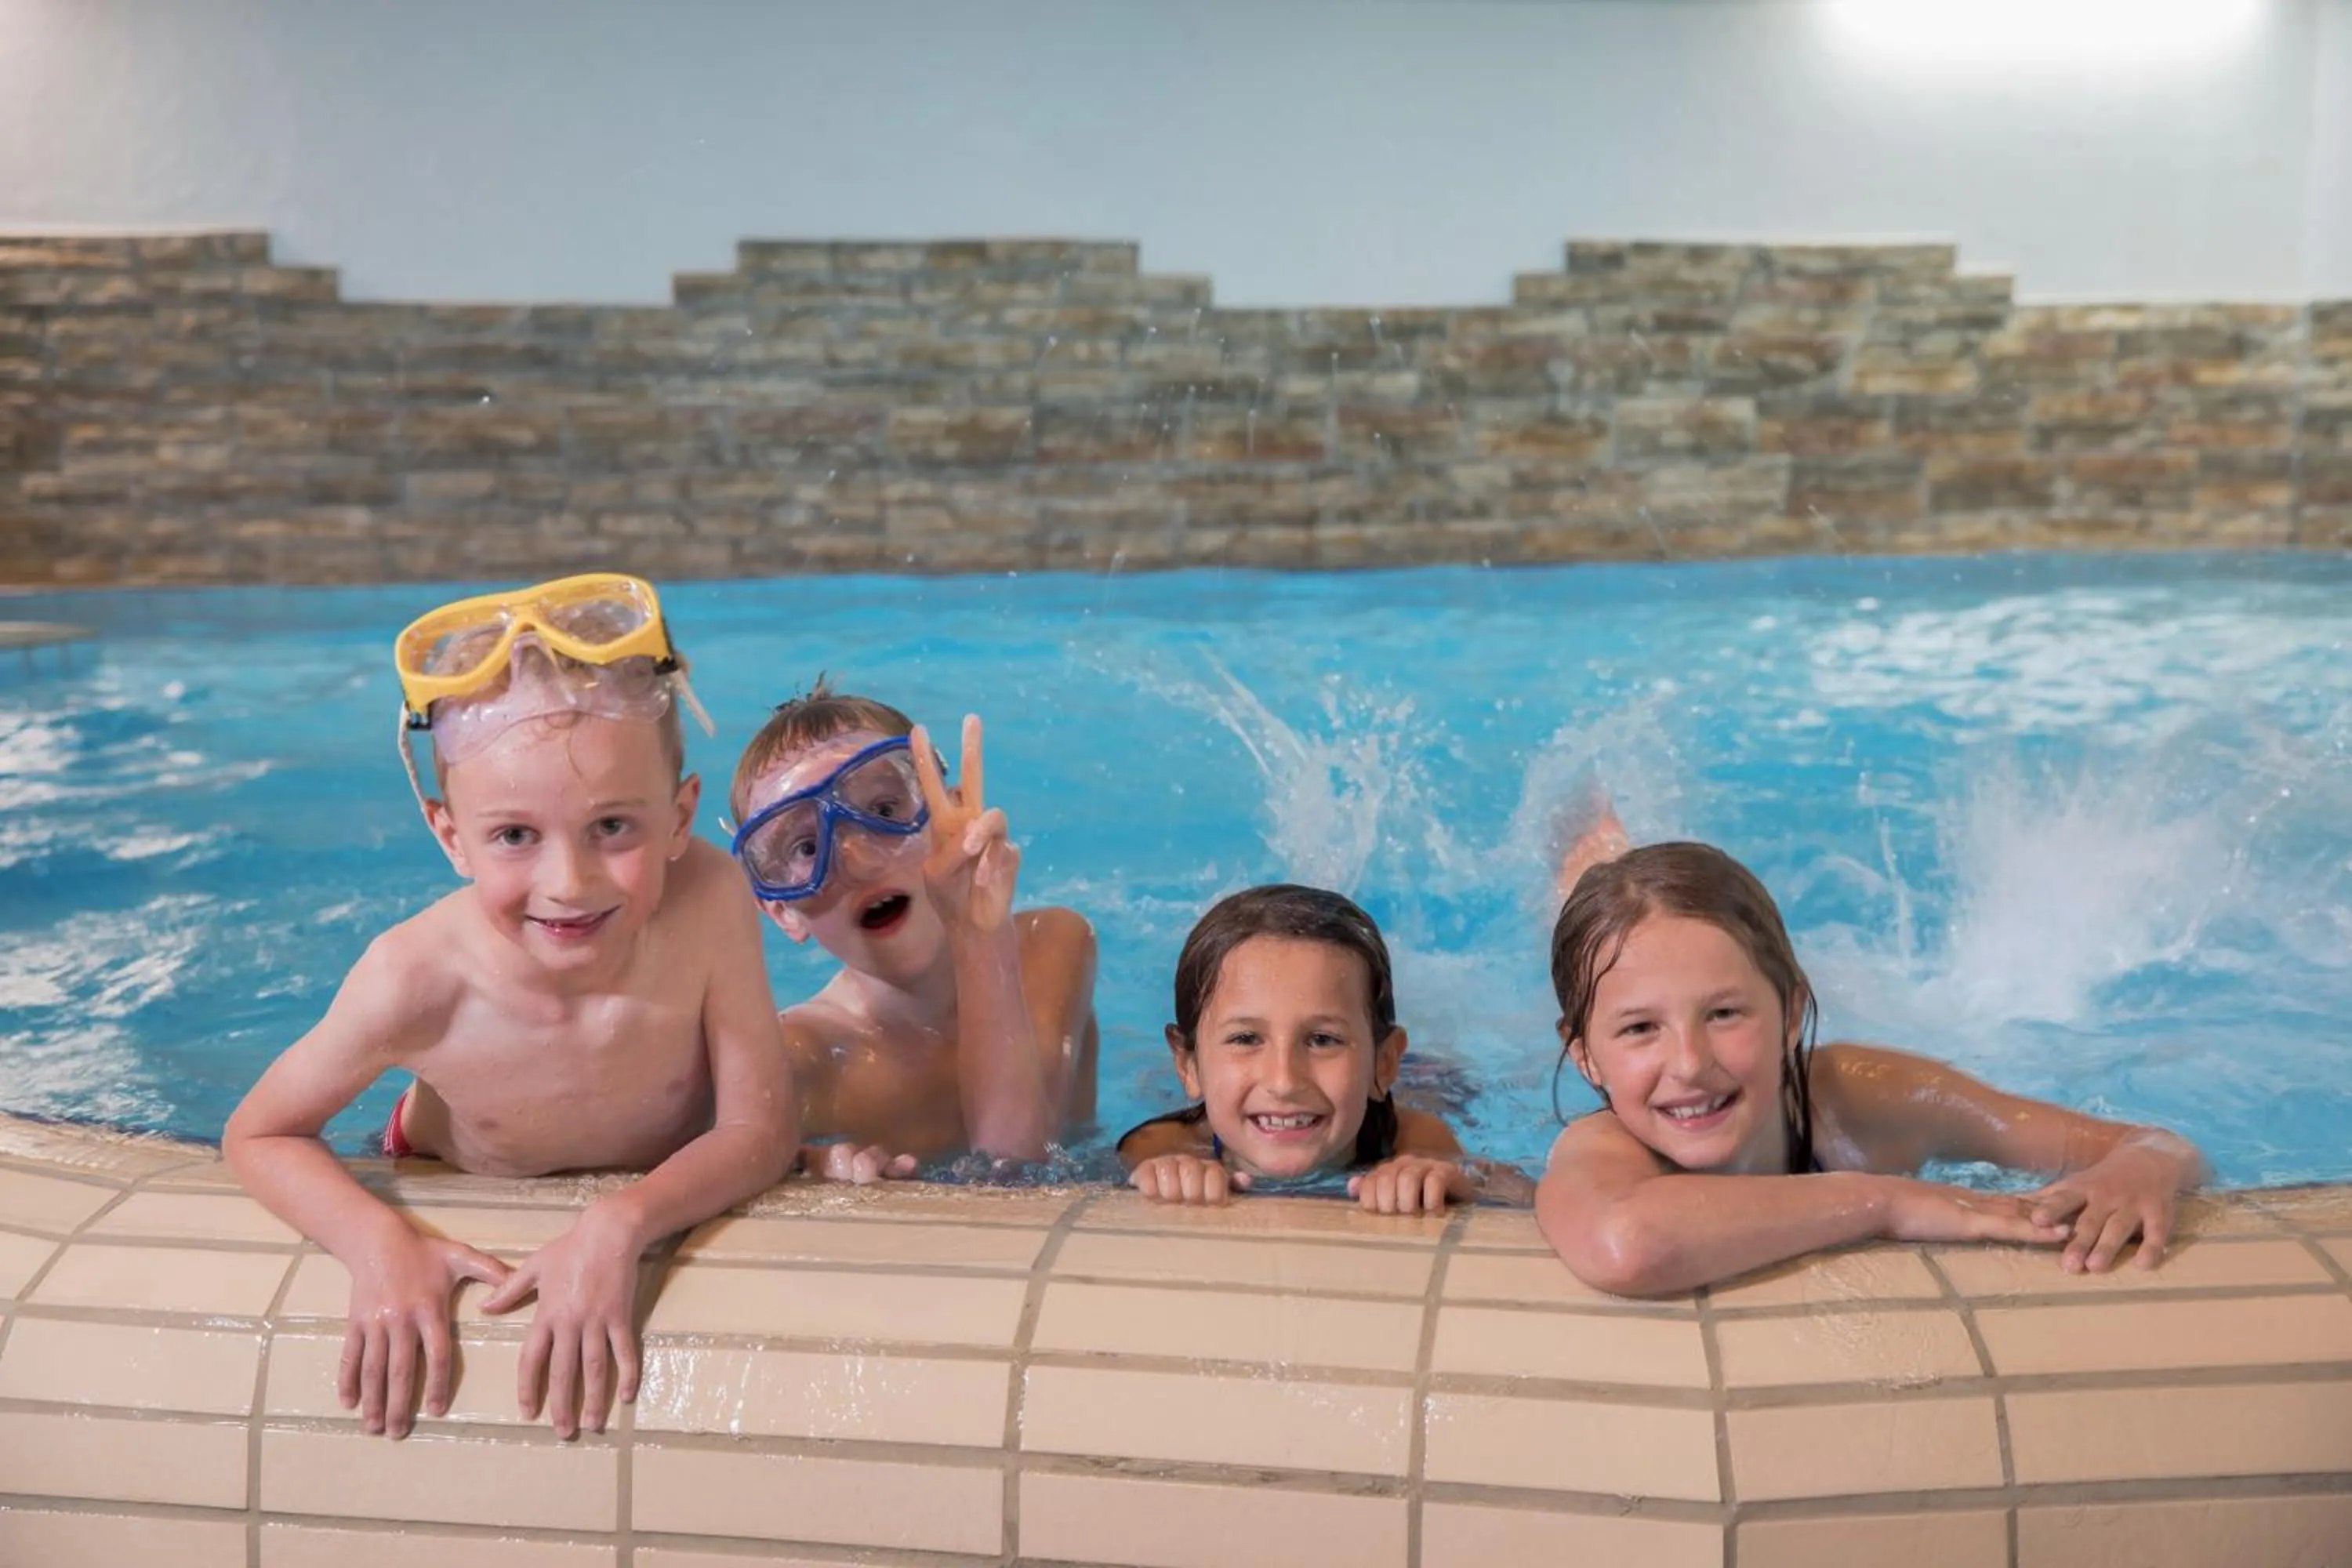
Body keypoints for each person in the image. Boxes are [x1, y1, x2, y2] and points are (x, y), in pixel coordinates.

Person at [226, 573, 797, 1441]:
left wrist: (623, 1221)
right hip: (446, 1161)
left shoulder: (711, 898)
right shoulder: (415, 978)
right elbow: (259, 1132)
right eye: (515, 835)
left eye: (614, 826)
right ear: (450, 835)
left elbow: (762, 1129)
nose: (569, 884)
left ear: (682, 816)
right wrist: (380, 1244)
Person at [1536, 840, 2206, 1297]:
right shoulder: (1603, 1148)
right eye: (1640, 1029)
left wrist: (2144, 1167)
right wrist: (1887, 1202)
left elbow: (2148, 1143)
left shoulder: (1859, 1098)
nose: (1689, 1064)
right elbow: (1627, 1242)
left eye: (1724, 1015)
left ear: (1792, 1014)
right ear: (1585, 1054)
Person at [728, 682, 1097, 1178]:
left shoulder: (1051, 944)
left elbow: (1019, 1170)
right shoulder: (803, 1060)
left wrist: (978, 932)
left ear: (952, 821)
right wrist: (799, 1168)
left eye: (883, 811)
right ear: (784, 913)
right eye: (807, 849)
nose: (858, 860)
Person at [1119, 883, 1501, 1213]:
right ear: (1189, 1065)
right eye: (1246, 1039)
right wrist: (1165, 1174)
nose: (1284, 1081)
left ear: (1384, 1063)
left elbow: (1508, 1190)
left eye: (1321, 1040)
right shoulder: (1162, 1146)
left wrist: (1448, 1184)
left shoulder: (1414, 1140)